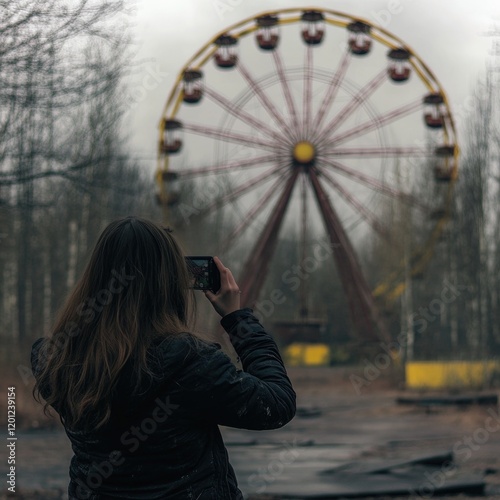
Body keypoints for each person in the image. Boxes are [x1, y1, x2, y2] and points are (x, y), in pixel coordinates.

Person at [31, 216, 296, 499]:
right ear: (168, 283)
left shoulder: (54, 361)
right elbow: (277, 404)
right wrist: (237, 319)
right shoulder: (191, 364)